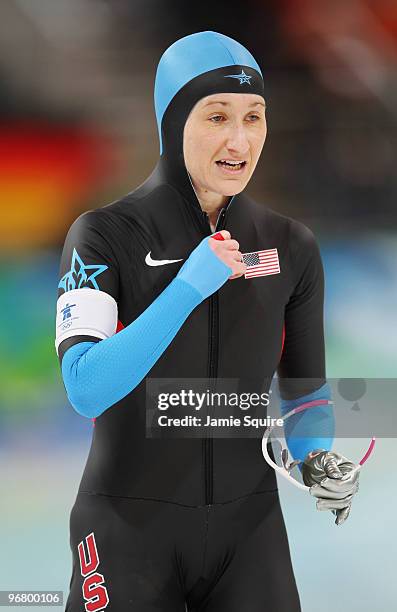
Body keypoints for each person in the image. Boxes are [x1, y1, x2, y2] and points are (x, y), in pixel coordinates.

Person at [55, 31, 359, 612]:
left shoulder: (291, 246)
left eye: (254, 117)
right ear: (172, 124)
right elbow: (85, 386)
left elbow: (304, 394)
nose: (240, 140)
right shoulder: (103, 236)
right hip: (127, 530)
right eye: (217, 116)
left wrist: (317, 455)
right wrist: (187, 286)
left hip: (249, 534)